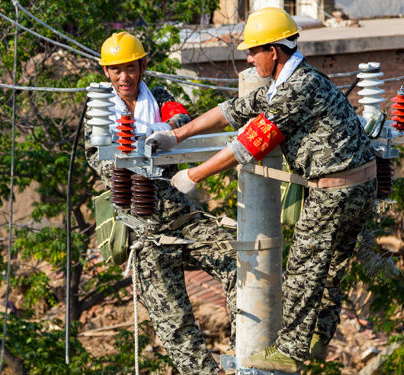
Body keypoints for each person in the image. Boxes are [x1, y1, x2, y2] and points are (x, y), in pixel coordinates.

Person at [146, 8, 377, 373]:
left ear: (275, 51)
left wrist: (193, 175)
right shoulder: (293, 81)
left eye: (254, 52)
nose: (249, 59)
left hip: (335, 190)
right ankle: (320, 335)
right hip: (362, 183)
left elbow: (246, 147)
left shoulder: (295, 91)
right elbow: (232, 109)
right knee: (333, 265)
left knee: (304, 269)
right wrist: (177, 134)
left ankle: (289, 351)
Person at [85, 32, 237, 375]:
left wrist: (166, 130)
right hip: (144, 232)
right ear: (107, 73)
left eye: (130, 69)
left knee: (238, 263)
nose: (125, 78)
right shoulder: (99, 111)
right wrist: (130, 155)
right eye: (116, 71)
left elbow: (181, 118)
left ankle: (245, 352)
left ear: (142, 67)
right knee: (175, 325)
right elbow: (97, 158)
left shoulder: (161, 98)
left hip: (183, 220)